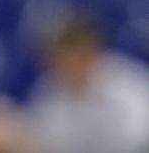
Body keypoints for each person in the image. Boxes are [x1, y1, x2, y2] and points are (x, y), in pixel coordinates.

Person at [27, 13, 149, 153]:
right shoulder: (48, 90)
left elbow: (138, 144)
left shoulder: (130, 87)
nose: (54, 66)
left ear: (86, 53)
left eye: (64, 58)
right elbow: (40, 140)